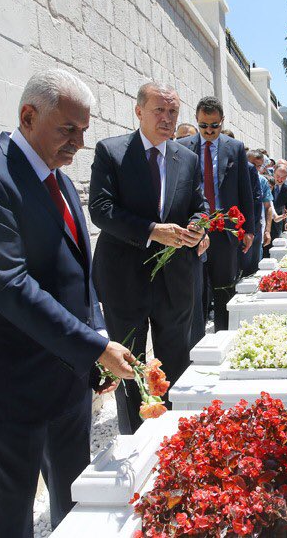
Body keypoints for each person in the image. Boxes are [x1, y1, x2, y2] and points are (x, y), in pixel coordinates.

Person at [0, 70, 136, 536]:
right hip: (11, 386)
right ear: (28, 116)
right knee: (11, 517)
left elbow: (76, 275)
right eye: (68, 129)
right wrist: (92, 348)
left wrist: (95, 347)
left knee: (76, 501)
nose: (77, 144)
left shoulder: (60, 179)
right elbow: (10, 286)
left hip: (66, 378)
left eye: (84, 132)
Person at [89, 83, 207, 434]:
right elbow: (101, 209)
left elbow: (198, 207)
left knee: (176, 364)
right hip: (125, 281)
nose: (167, 118)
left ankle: (175, 438)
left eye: (173, 112)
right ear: (138, 111)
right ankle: (137, 440)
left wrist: (199, 229)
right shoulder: (112, 152)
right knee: (129, 366)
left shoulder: (187, 158)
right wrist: (152, 230)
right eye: (159, 110)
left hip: (176, 280)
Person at [177, 96, 255, 331]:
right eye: (203, 125)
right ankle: (197, 341)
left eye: (214, 125)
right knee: (195, 291)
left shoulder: (235, 148)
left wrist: (249, 229)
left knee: (224, 289)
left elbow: (245, 190)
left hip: (225, 231)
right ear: (196, 121)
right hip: (194, 230)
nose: (209, 131)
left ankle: (224, 336)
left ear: (222, 121)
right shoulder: (182, 147)